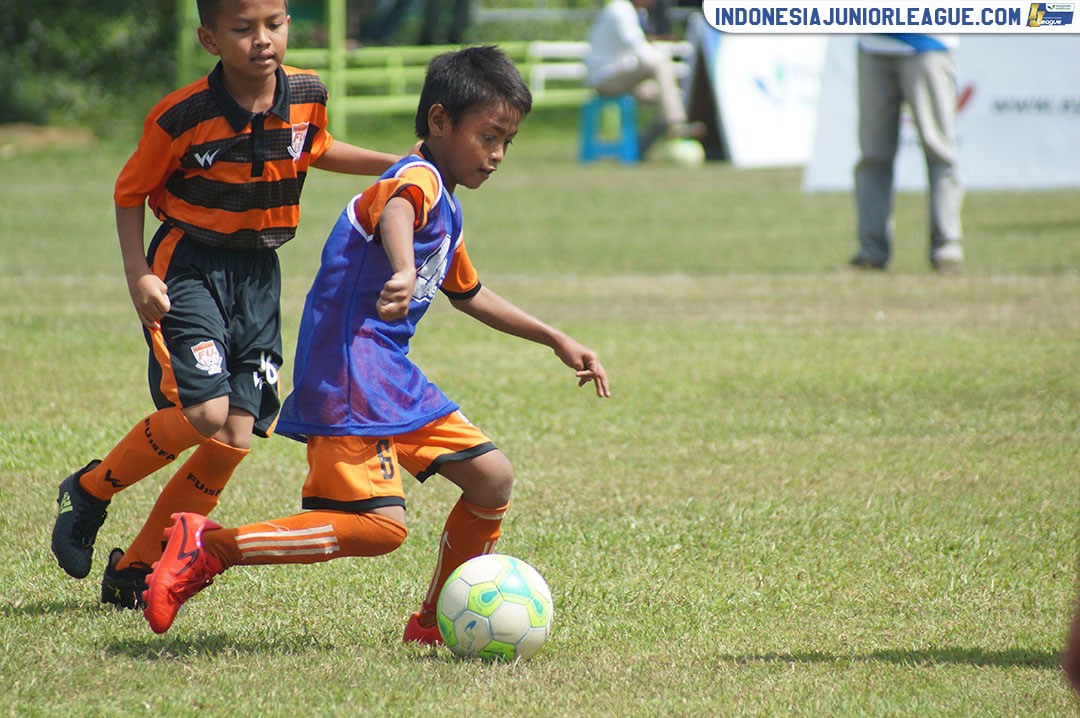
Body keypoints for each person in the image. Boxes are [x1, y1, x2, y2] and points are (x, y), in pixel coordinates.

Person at [138, 45, 610, 638]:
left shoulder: (445, 201)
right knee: (381, 527)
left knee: (492, 479)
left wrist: (555, 338)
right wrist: (403, 267)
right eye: (488, 136)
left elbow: (468, 292)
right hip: (349, 373)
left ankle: (435, 622)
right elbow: (396, 212)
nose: (496, 155)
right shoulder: (416, 179)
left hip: (385, 373)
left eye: (507, 143)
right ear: (440, 121)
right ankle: (208, 547)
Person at [49, 0, 407, 609]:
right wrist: (138, 274)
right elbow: (129, 191)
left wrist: (397, 165)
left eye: (274, 24)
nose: (262, 39)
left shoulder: (308, 93)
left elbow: (315, 147)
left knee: (236, 433)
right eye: (242, 29)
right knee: (206, 412)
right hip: (189, 265)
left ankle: (136, 568)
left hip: (259, 273)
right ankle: (90, 489)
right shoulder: (182, 115)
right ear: (210, 39)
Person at [849, 34, 964, 273]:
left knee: (939, 153)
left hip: (927, 42)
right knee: (872, 157)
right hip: (874, 43)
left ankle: (947, 249)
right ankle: (871, 252)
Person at [584, 0, 701, 155]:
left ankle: (639, 146)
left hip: (621, 76)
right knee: (660, 64)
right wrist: (664, 64)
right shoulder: (620, 9)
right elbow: (637, 48)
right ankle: (677, 124)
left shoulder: (635, 12)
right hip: (604, 78)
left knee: (668, 98)